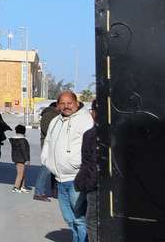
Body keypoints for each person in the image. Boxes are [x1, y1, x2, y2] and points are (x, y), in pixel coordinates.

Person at [41, 91, 93, 242]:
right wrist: (46, 160)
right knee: (69, 219)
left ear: (76, 103)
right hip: (60, 179)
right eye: (62, 103)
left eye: (69, 103)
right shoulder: (55, 121)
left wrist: (77, 165)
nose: (66, 106)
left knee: (79, 219)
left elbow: (89, 146)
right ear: (57, 105)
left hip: (75, 178)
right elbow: (48, 142)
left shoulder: (84, 120)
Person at [74, 100, 99, 241]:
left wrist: (86, 184)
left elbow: (89, 163)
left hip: (94, 187)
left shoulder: (91, 134)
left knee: (92, 222)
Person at [9, 124, 31, 192]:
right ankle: (16, 187)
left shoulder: (14, 140)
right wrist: (27, 159)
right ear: (24, 131)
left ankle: (22, 186)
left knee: (22, 173)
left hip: (16, 158)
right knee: (20, 173)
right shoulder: (23, 140)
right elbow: (24, 150)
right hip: (21, 159)